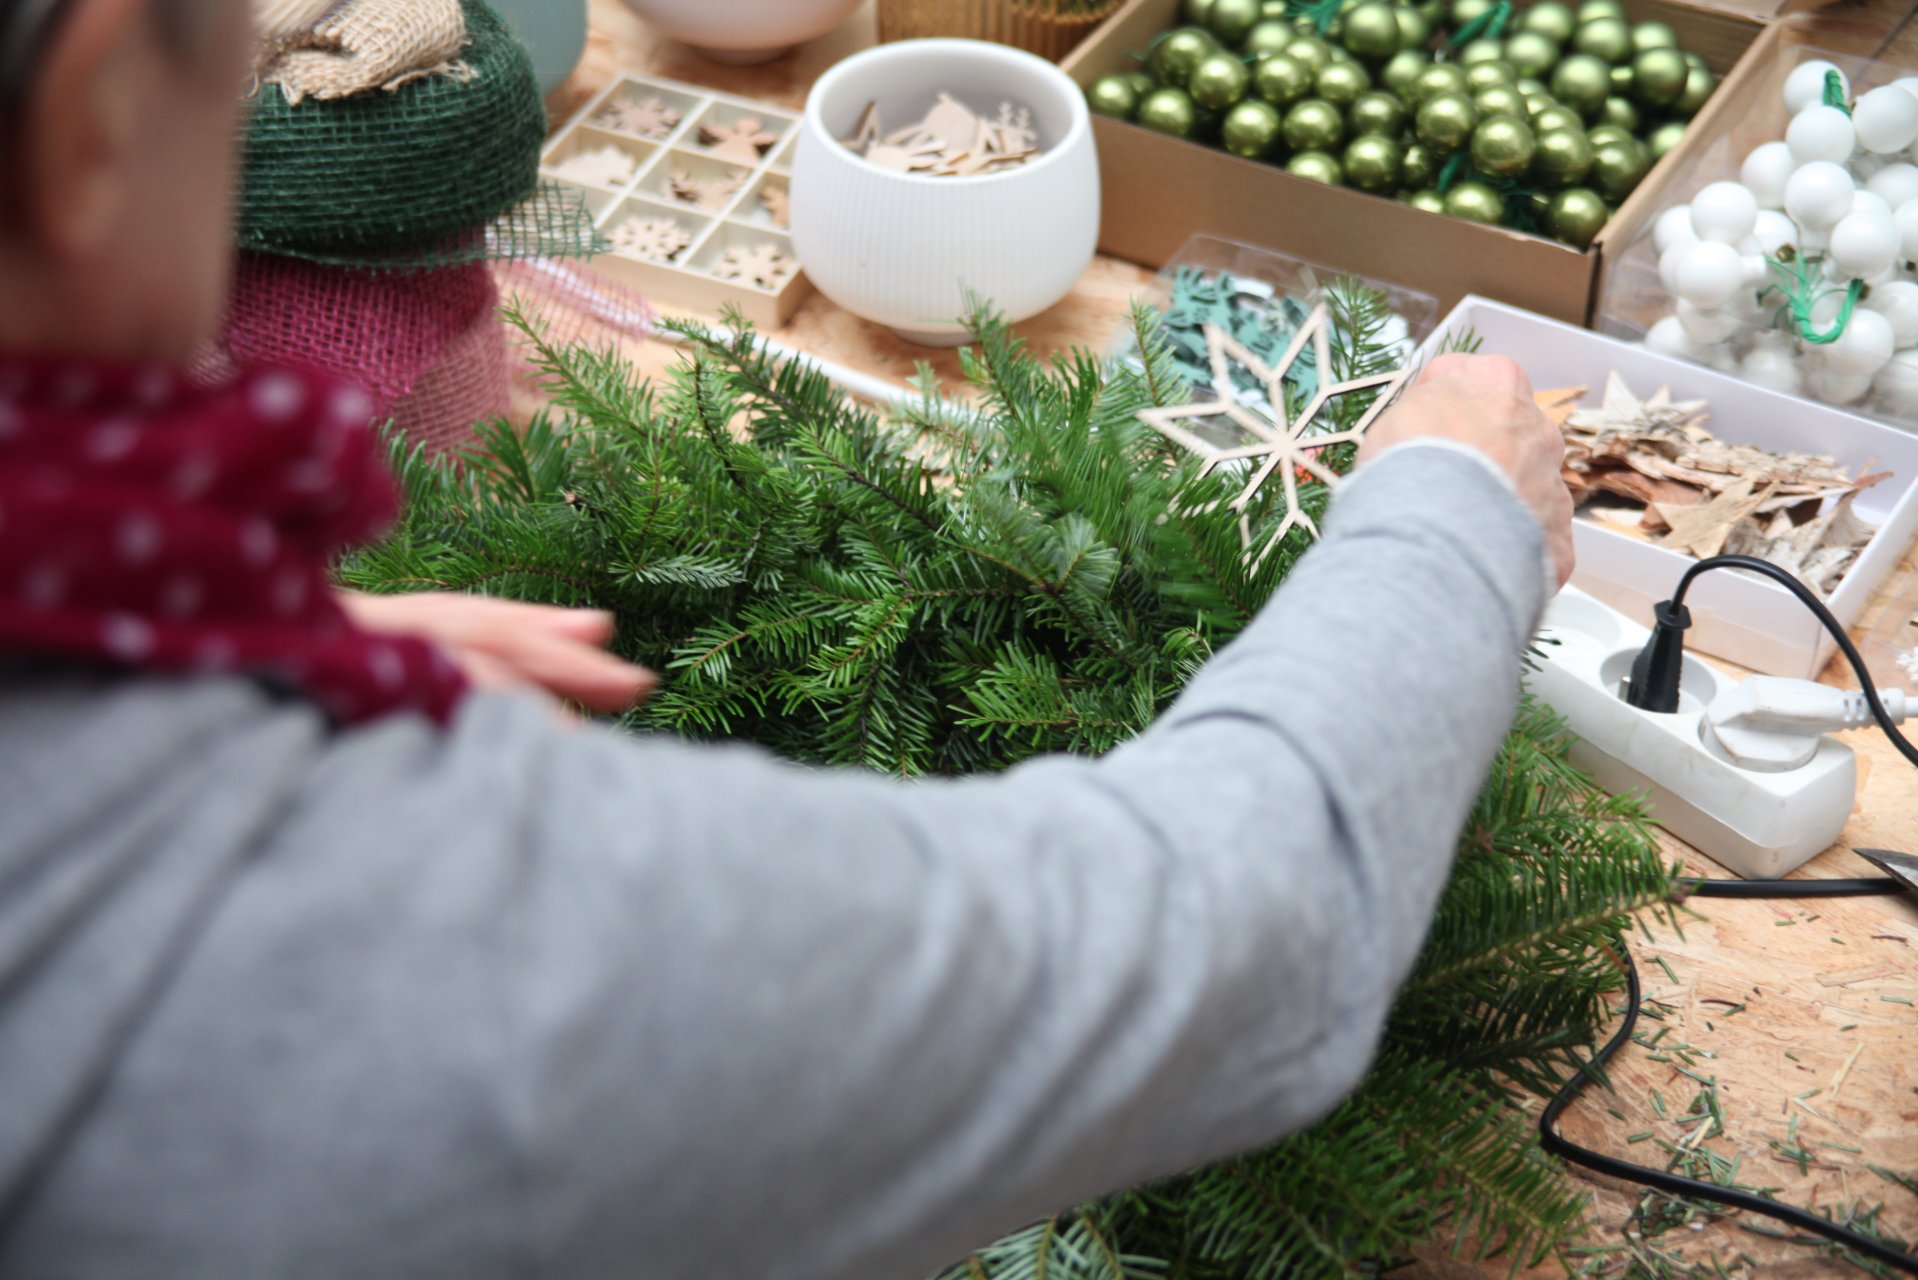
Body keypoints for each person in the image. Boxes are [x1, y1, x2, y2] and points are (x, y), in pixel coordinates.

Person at [0, 1, 1575, 1277]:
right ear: (99, 110)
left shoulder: (94, 617)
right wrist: (1445, 520)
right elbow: (1226, 942)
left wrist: (295, 638)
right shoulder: (379, 938)